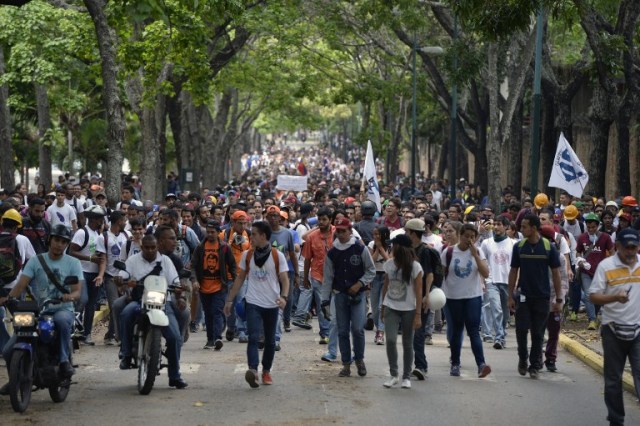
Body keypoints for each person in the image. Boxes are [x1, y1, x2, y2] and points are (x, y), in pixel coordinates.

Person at [0, 224, 83, 395]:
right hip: (39, 311)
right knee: (8, 350)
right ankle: (14, 379)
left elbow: (77, 291)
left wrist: (70, 296)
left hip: (63, 309)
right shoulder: (36, 260)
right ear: (49, 240)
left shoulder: (73, 263)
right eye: (56, 240)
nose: (59, 244)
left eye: (63, 242)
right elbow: (21, 284)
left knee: (61, 321)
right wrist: (8, 299)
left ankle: (63, 360)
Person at [223, 221, 289, 388]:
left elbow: (284, 279)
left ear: (263, 236)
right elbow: (240, 278)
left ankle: (266, 371)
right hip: (253, 302)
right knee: (253, 337)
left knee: (270, 340)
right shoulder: (248, 255)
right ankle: (253, 371)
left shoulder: (277, 256)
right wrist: (230, 300)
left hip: (272, 304)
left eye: (253, 234)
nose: (250, 237)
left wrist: (284, 297)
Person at [117, 234, 187, 389]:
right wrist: (123, 280)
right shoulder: (132, 261)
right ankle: (126, 353)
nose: (150, 250)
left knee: (174, 337)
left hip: (163, 303)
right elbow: (122, 275)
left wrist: (180, 295)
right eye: (146, 248)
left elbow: (175, 282)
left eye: (153, 248)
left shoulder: (166, 261)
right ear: (141, 247)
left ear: (157, 247)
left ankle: (175, 375)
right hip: (139, 301)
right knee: (126, 314)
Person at [589, 228, 640, 426]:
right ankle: (616, 420)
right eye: (626, 247)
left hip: (638, 330)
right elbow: (593, 296)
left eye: (633, 247)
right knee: (612, 380)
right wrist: (614, 297)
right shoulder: (606, 266)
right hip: (612, 330)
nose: (630, 251)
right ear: (617, 246)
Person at [508, 214, 563, 379]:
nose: (521, 229)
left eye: (524, 227)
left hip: (542, 297)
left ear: (533, 228)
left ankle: (534, 365)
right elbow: (513, 271)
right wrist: (510, 296)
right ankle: (522, 358)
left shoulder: (548, 247)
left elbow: (556, 273)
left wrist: (559, 298)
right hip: (523, 296)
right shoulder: (519, 247)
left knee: (538, 333)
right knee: (521, 329)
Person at [321, 217, 376, 378]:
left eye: (343, 231)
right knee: (343, 331)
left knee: (358, 329)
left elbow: (371, 270)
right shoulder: (332, 252)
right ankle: (346, 364)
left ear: (350, 231)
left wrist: (359, 284)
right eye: (338, 231)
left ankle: (359, 359)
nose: (340, 234)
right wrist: (325, 301)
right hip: (340, 295)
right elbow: (328, 278)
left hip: (357, 295)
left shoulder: (360, 248)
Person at [442, 223, 492, 378]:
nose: (469, 240)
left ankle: (481, 364)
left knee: (474, 331)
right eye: (466, 236)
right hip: (453, 297)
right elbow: (441, 273)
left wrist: (475, 255)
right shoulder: (449, 252)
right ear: (460, 235)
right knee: (456, 331)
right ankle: (455, 363)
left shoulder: (478, 251)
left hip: (473, 297)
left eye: (472, 237)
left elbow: (486, 273)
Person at [380, 234, 423, 389]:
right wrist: (382, 307)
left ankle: (406, 376)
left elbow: (419, 291)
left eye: (394, 245)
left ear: (400, 247)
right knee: (390, 340)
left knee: (407, 343)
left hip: (409, 309)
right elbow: (386, 285)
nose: (391, 248)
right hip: (391, 306)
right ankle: (393, 374)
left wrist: (418, 314)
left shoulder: (415, 267)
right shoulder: (389, 264)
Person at [192, 220, 237, 350]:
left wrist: (235, 281)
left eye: (213, 232)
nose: (210, 234)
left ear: (218, 233)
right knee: (208, 313)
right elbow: (193, 266)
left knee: (217, 311)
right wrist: (195, 280)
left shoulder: (224, 247)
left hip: (219, 286)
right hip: (204, 286)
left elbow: (232, 265)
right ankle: (210, 339)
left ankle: (217, 338)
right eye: (208, 232)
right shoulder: (200, 248)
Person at [68, 204, 107, 345]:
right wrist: (90, 259)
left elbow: (102, 256)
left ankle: (87, 334)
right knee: (82, 299)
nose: (101, 221)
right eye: (99, 219)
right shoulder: (82, 233)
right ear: (92, 219)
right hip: (81, 272)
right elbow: (72, 252)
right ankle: (73, 328)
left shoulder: (99, 234)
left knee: (91, 305)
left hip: (95, 274)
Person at [480, 215, 515, 349]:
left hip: (507, 282)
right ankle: (499, 337)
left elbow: (516, 266)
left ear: (506, 227)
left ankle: (502, 333)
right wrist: (482, 281)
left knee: (505, 312)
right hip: (492, 281)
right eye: (494, 224)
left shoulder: (513, 244)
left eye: (499, 224)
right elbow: (482, 263)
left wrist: (516, 281)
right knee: (496, 309)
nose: (496, 227)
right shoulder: (486, 243)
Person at [576, 212, 615, 330]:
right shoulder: (582, 237)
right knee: (588, 294)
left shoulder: (605, 237)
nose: (591, 229)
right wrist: (581, 261)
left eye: (593, 227)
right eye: (589, 227)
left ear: (598, 226)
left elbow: (612, 251)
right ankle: (592, 319)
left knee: (598, 296)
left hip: (600, 272)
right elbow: (578, 251)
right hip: (586, 271)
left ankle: (595, 315)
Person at [368, 225, 391, 345]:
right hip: (374, 276)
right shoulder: (371, 244)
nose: (376, 237)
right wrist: (376, 248)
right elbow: (371, 261)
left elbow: (389, 261)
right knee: (374, 307)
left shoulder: (390, 245)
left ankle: (381, 332)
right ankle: (379, 328)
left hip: (386, 277)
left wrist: (382, 248)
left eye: (378, 234)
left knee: (381, 306)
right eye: (374, 234)